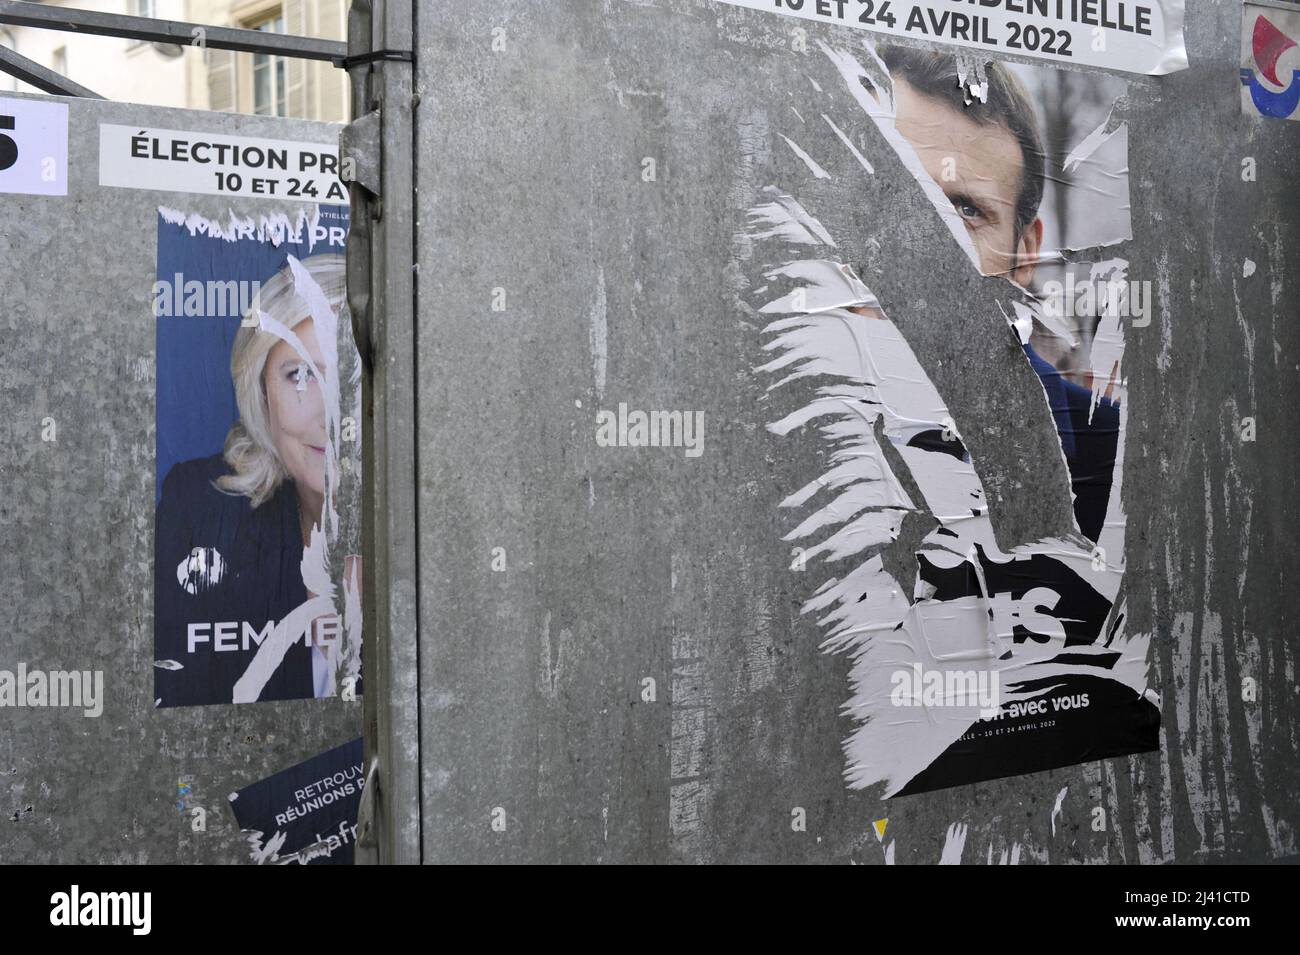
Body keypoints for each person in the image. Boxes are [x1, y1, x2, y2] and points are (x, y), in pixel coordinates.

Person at [864, 46, 1119, 543]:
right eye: (885, 196)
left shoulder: (1120, 464)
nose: (918, 248)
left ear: (1022, 257)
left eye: (965, 210)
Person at [154, 253, 347, 707]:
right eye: (300, 375)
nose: (334, 417)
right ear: (263, 393)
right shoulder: (199, 513)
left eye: (356, 372)